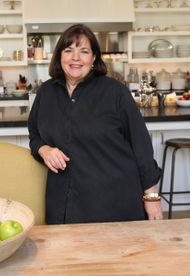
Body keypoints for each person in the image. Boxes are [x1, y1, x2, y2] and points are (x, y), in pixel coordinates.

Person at [28, 24, 163, 224]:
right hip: (63, 203)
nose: (75, 58)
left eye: (84, 51)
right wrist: (45, 149)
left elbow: (141, 145)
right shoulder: (46, 93)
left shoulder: (115, 92)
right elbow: (34, 136)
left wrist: (151, 197)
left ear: (93, 58)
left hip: (112, 202)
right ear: (59, 56)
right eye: (68, 50)